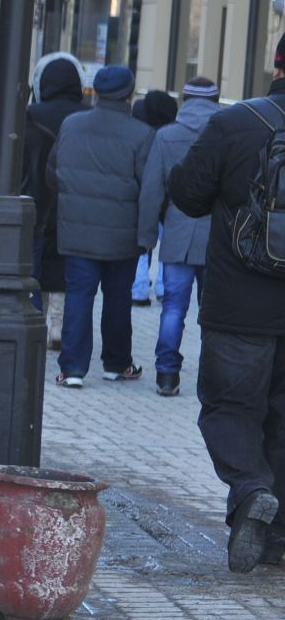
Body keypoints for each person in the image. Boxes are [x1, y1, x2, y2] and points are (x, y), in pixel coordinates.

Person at [169, 35, 285, 571]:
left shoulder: (235, 123)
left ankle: (251, 487)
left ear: (276, 64)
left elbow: (188, 195)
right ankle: (276, 537)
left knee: (230, 407)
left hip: (239, 303)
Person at [49, 64, 153, 387]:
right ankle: (116, 363)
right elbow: (148, 187)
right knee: (118, 298)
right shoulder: (141, 133)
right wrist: (146, 235)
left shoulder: (72, 125)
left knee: (79, 295)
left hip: (77, 227)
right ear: (128, 94)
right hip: (123, 233)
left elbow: (54, 169)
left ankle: (73, 368)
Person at [139, 77, 219, 396]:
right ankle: (212, 378)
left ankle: (167, 374)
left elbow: (151, 191)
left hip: (178, 234)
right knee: (214, 312)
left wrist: (146, 237)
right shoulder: (225, 135)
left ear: (184, 100)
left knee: (173, 308)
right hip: (218, 239)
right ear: (215, 102)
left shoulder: (166, 136)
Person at [23, 56, 87, 349]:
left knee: (35, 266)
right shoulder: (86, 116)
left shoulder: (30, 115)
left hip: (37, 200)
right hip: (76, 201)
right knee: (66, 268)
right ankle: (59, 326)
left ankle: (37, 321)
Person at [132, 90, 179, 304]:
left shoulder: (142, 133)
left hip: (144, 196)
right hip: (171, 199)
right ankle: (163, 285)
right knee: (166, 246)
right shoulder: (172, 136)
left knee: (143, 246)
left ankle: (139, 288)